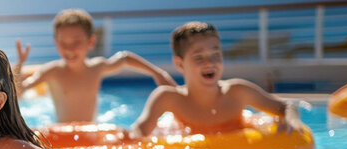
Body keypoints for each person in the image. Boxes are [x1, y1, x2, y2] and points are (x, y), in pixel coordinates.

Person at [128, 22, 306, 138]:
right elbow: (139, 130)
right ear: (180, 64)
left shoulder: (237, 92)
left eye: (216, 55)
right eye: (199, 58)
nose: (210, 63)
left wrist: (293, 120)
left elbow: (286, 107)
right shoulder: (169, 98)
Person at [14, 8, 176, 123]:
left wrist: (158, 73)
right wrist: (20, 64)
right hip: (61, 131)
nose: (69, 48)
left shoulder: (96, 68)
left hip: (91, 131)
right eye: (63, 43)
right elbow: (19, 92)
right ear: (56, 43)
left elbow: (125, 58)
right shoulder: (52, 71)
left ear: (90, 42)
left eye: (76, 42)